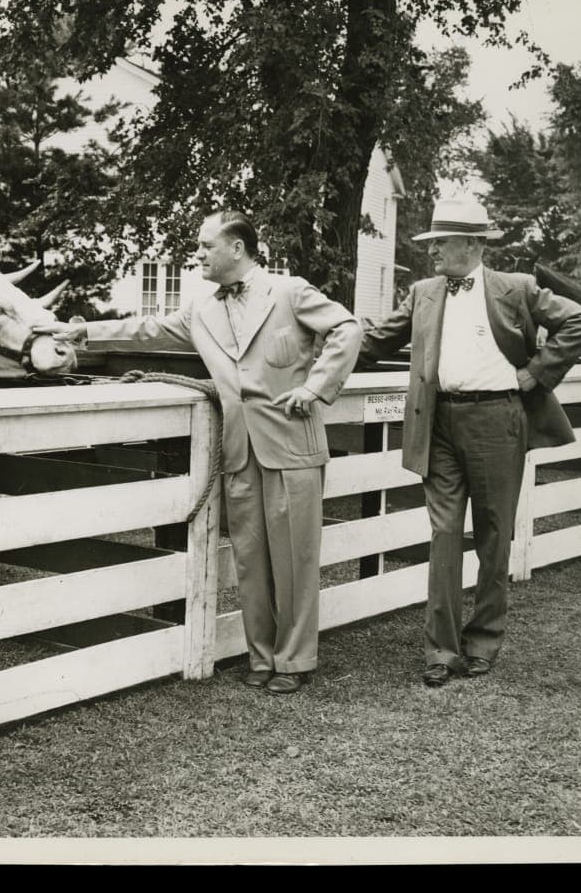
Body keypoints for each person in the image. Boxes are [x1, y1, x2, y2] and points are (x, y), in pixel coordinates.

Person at [37, 211, 361, 695]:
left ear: (237, 249)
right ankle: (261, 655)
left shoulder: (290, 291)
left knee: (295, 558)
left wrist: (316, 388)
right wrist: (86, 333)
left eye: (207, 246)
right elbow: (148, 330)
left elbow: (348, 329)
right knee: (251, 560)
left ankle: (294, 661)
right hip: (238, 449)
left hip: (292, 445)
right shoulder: (200, 310)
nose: (199, 254)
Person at [359, 196, 581, 687]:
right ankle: (441, 652)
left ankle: (483, 642)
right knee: (444, 535)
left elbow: (580, 321)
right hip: (438, 425)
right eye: (432, 243)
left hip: (498, 421)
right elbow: (375, 340)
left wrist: (536, 373)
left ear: (471, 244)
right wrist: (314, 341)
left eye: (440, 242)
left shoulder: (517, 288)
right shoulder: (423, 292)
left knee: (493, 535)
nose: (432, 252)